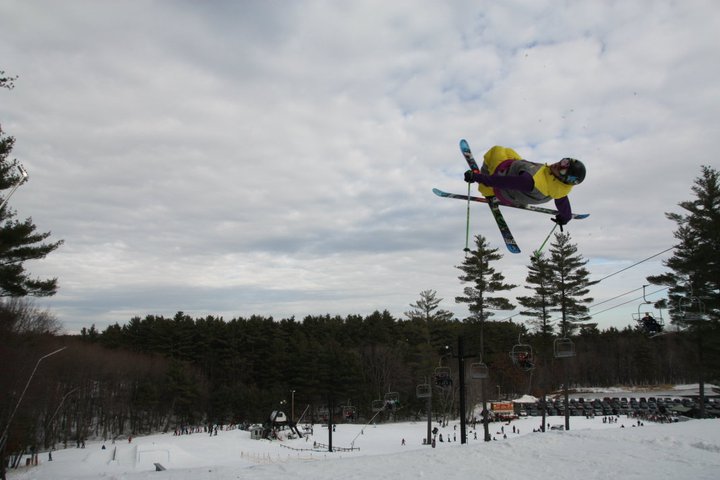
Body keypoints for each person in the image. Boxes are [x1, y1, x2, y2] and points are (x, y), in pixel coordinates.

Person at [464, 146, 586, 228]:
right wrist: (565, 217)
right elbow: (562, 201)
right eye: (564, 161)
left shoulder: (530, 182)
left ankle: (487, 192)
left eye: (563, 170)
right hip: (516, 170)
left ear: (565, 179)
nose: (558, 165)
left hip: (502, 185)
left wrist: (476, 177)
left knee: (495, 151)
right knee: (508, 151)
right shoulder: (559, 188)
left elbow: (501, 182)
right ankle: (492, 177)